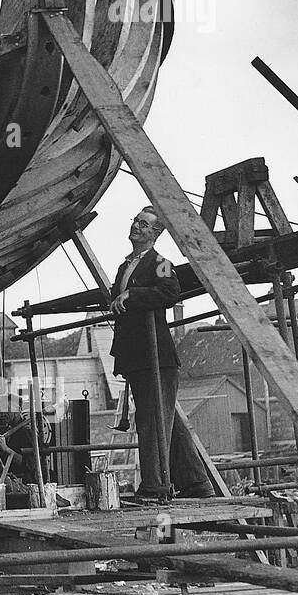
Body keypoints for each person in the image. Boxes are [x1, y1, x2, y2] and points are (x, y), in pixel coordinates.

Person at [109, 206, 214, 498]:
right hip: (136, 355)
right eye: (135, 221)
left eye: (143, 224)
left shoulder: (162, 263)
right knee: (165, 420)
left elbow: (170, 293)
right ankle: (197, 483)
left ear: (155, 233)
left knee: (152, 420)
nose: (137, 227)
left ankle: (154, 486)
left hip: (158, 358)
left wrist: (133, 294)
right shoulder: (125, 266)